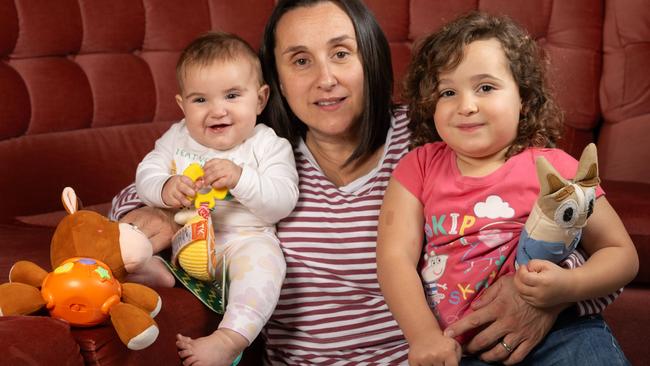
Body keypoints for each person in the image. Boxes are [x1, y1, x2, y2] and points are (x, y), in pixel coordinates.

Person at [110, 1, 628, 364]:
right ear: (274, 84)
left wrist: (546, 298)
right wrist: (150, 209)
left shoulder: (435, 136)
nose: (325, 78)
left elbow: (548, 217)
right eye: (300, 61)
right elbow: (146, 190)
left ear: (370, 58)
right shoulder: (256, 152)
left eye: (342, 52)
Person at [376, 11, 638, 366]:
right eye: (448, 92)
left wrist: (567, 286)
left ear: (524, 98)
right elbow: (394, 258)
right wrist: (423, 335)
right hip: (460, 348)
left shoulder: (556, 167)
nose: (466, 106)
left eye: (486, 87)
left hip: (562, 334)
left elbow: (621, 253)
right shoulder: (418, 166)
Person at [133, 31, 299, 366]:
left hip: (241, 242)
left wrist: (242, 178)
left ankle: (228, 338)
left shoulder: (267, 144)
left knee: (266, 266)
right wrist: (165, 187)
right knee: (141, 235)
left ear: (260, 99)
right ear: (182, 105)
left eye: (232, 95)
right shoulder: (177, 136)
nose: (216, 111)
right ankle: (154, 272)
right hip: (181, 241)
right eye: (200, 100)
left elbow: (283, 200)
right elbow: (145, 173)